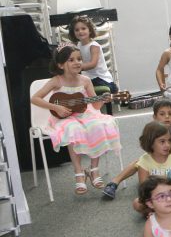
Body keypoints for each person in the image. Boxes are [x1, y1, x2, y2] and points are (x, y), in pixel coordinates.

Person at [30, 44, 121, 195]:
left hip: (85, 114)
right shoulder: (56, 81)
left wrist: (103, 99)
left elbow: (96, 106)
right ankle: (78, 172)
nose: (77, 62)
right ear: (60, 64)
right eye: (71, 60)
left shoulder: (85, 80)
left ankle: (94, 169)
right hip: (63, 117)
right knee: (73, 130)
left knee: (97, 126)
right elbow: (35, 98)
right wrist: (56, 107)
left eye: (79, 59)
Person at [102, 99, 171, 199]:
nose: (167, 116)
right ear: (155, 117)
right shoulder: (152, 131)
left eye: (170, 113)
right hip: (156, 162)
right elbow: (150, 154)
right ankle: (115, 182)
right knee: (139, 162)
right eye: (162, 114)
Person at [69, 15, 118, 114]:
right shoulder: (78, 45)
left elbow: (92, 64)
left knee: (81, 87)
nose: (80, 32)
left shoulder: (94, 46)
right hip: (88, 77)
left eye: (83, 28)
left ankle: (92, 110)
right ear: (73, 33)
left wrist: (76, 67)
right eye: (77, 30)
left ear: (90, 30)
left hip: (100, 78)